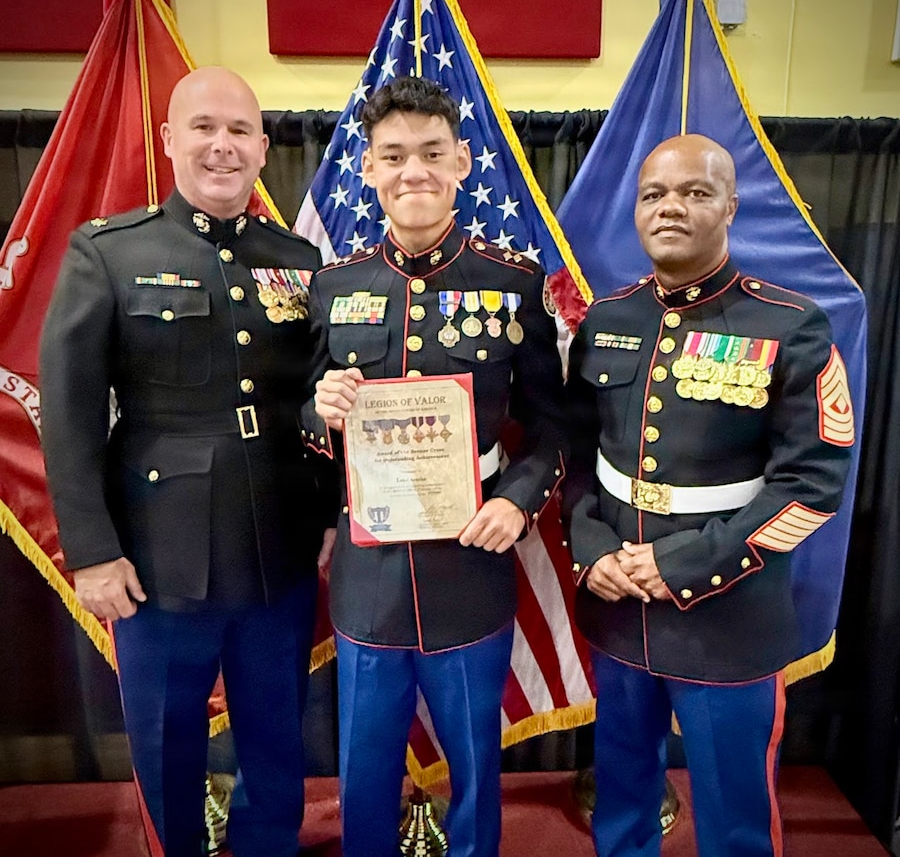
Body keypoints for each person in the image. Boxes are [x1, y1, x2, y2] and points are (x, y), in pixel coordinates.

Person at [40, 66, 336, 857]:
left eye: (239, 131)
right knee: (167, 745)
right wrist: (93, 554)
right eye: (203, 127)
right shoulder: (109, 253)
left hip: (278, 546)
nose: (222, 146)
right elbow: (66, 418)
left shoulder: (300, 262)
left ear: (263, 148)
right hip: (157, 557)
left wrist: (337, 512)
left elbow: (322, 401)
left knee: (276, 738)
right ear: (170, 140)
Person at [563, 133, 855, 857]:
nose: (671, 208)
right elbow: (574, 457)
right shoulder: (609, 319)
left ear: (730, 205)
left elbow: (811, 487)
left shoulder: (790, 325)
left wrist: (685, 565)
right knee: (622, 803)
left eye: (695, 193)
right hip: (620, 612)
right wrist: (593, 550)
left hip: (728, 616)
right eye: (655, 194)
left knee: (733, 822)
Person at [307, 76, 568, 857]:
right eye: (393, 156)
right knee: (364, 767)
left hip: (469, 563)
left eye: (430, 153)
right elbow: (302, 419)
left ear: (461, 162)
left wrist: (519, 502)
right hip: (369, 573)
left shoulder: (512, 283)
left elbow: (553, 429)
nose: (412, 170)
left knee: (476, 771)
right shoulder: (335, 285)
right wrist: (317, 409)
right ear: (367, 170)